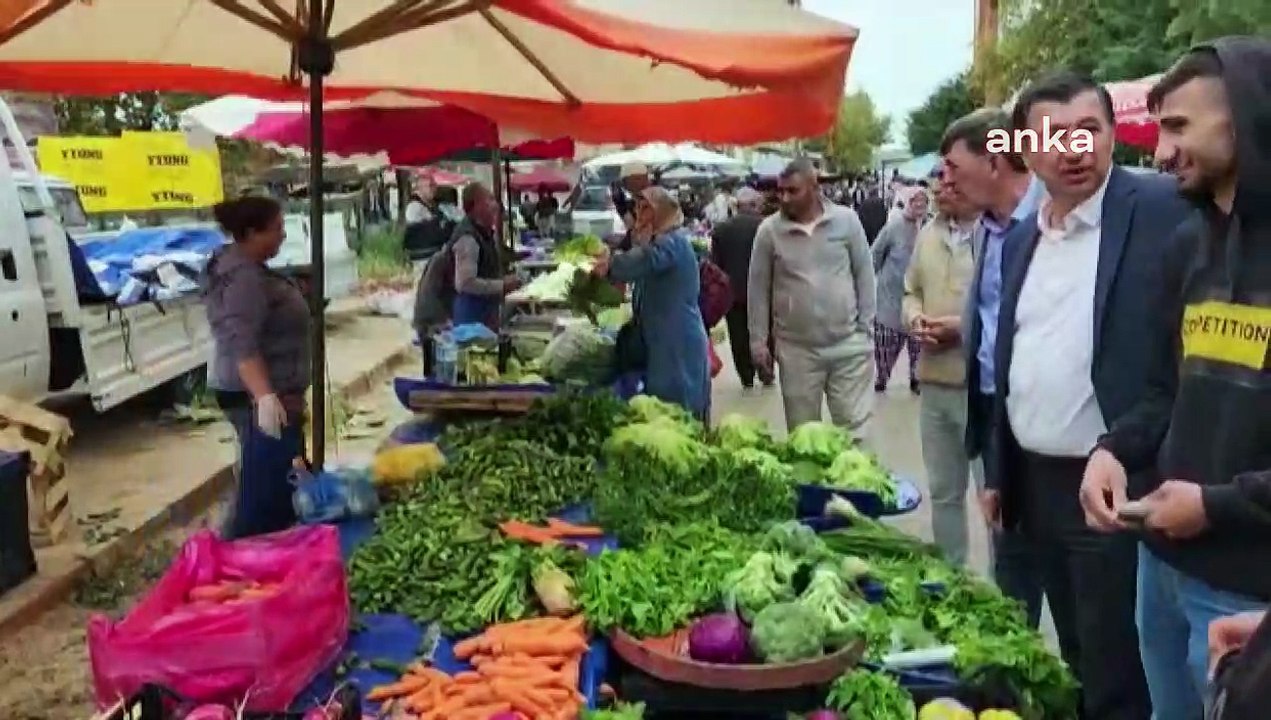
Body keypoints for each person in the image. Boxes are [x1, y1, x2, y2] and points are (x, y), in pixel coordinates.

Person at [1078, 38, 1271, 720]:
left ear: (1246, 117)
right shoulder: (1187, 246)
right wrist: (1111, 449)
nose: (1158, 154)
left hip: (1246, 596)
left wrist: (1213, 505)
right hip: (1158, 569)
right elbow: (1164, 390)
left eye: (1178, 127)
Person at [991, 70, 1194, 719]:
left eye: (1088, 131)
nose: (1073, 149)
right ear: (1023, 146)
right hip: (1033, 486)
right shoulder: (1023, 235)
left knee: (1118, 667)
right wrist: (998, 468)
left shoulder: (1159, 208)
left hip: (1115, 481)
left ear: (1110, 136)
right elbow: (1010, 355)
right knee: (1074, 651)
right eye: (1053, 134)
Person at [939, 107, 1045, 628]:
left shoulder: (1053, 221)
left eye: (955, 167)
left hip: (1050, 419)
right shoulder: (985, 231)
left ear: (997, 159)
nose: (946, 181)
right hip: (991, 410)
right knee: (1009, 548)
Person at [203, 196, 309, 540]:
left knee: (268, 476)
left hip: (265, 389)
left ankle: (259, 543)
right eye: (276, 229)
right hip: (255, 394)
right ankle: (242, 549)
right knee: (264, 486)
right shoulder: (243, 278)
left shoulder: (249, 269)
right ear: (251, 232)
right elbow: (242, 341)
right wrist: (265, 397)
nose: (282, 236)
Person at [748, 158, 876, 437]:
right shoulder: (769, 231)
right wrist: (758, 341)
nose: (784, 198)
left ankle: (853, 483)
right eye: (780, 191)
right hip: (797, 352)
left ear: (814, 187)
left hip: (848, 347)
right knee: (804, 435)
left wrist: (865, 329)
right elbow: (757, 289)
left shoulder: (846, 221)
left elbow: (864, 274)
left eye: (792, 191)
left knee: (855, 432)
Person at [902, 165, 982, 566]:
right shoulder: (928, 234)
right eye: (940, 180)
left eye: (953, 179)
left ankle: (1005, 590)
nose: (943, 187)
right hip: (934, 382)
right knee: (944, 491)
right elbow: (910, 290)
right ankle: (953, 573)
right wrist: (915, 318)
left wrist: (962, 328)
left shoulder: (997, 233)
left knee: (993, 497)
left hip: (980, 389)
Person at [592, 186, 710, 418]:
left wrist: (611, 267)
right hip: (660, 338)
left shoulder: (673, 243)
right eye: (638, 208)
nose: (640, 214)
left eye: (646, 208)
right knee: (663, 408)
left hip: (677, 340)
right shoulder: (656, 242)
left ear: (662, 212)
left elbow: (647, 260)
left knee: (682, 408)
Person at [412, 182, 520, 335]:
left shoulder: (484, 233)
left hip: (484, 310)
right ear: (476, 206)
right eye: (489, 200)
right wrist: (502, 285)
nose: (495, 205)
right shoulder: (468, 238)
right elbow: (465, 283)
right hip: (469, 314)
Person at [710, 187, 773, 389]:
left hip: (733, 292)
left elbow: (715, 265)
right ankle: (767, 369)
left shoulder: (721, 230)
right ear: (754, 204)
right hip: (762, 290)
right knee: (764, 331)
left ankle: (746, 375)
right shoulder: (765, 226)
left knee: (738, 334)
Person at [872, 188, 928, 395]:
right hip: (890, 297)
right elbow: (875, 256)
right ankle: (882, 376)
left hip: (919, 298)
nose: (919, 207)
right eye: (916, 202)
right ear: (907, 203)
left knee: (918, 343)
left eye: (923, 203)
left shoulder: (929, 229)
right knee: (886, 344)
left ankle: (916, 378)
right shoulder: (893, 227)